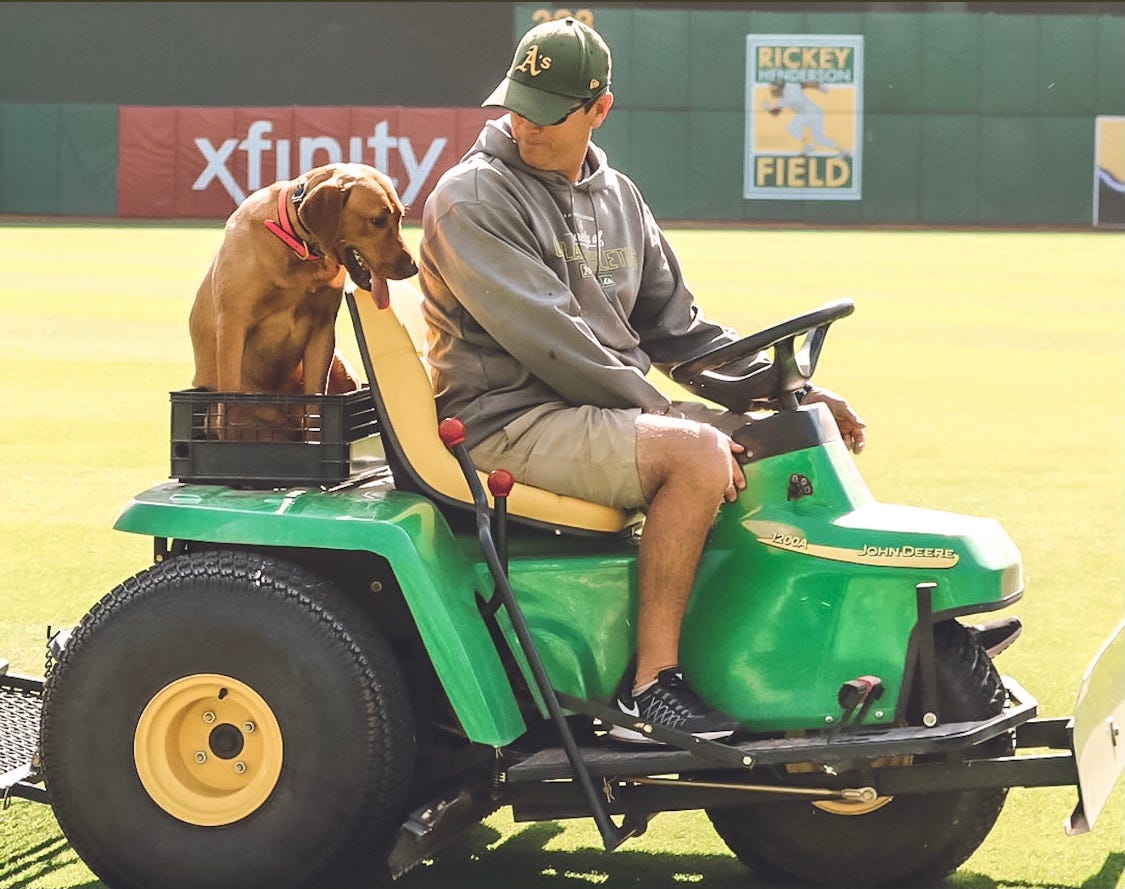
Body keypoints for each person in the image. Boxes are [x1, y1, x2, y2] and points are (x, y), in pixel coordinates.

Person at [419, 18, 866, 743]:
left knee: (786, 436)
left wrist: (783, 391)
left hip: (593, 406)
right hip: (507, 417)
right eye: (516, 104)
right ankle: (649, 686)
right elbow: (558, 346)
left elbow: (679, 332)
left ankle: (768, 659)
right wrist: (682, 422)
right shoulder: (472, 197)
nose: (523, 124)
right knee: (693, 455)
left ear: (599, 109)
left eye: (545, 111)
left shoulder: (618, 196)